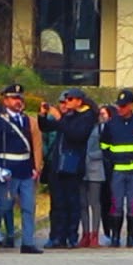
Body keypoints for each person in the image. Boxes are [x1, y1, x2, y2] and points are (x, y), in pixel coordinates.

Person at [0, 84, 44, 254]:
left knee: (28, 206)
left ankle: (27, 242)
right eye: (14, 98)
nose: (18, 101)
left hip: (25, 168)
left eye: (19, 98)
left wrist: (36, 166)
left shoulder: (28, 120)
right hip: (7, 168)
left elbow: (36, 145)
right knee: (4, 205)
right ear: (5, 100)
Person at [40, 88, 96, 248]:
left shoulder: (87, 116)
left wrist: (60, 119)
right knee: (57, 204)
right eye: (63, 102)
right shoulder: (67, 117)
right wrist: (43, 115)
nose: (65, 104)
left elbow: (76, 135)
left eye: (69, 100)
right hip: (57, 165)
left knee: (72, 202)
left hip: (73, 165)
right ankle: (56, 236)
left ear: (79, 101)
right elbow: (46, 127)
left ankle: (71, 235)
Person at [101, 89, 133, 248]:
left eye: (123, 106)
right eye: (119, 106)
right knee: (116, 204)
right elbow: (104, 146)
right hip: (117, 170)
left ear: (131, 106)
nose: (120, 109)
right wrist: (112, 161)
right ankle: (115, 237)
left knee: (132, 205)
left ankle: (131, 237)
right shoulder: (111, 124)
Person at [80, 102, 107, 247]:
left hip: (96, 167)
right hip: (81, 167)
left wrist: (92, 155)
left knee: (94, 203)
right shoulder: (79, 126)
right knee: (82, 203)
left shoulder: (101, 128)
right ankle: (85, 233)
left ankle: (95, 234)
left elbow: (107, 147)